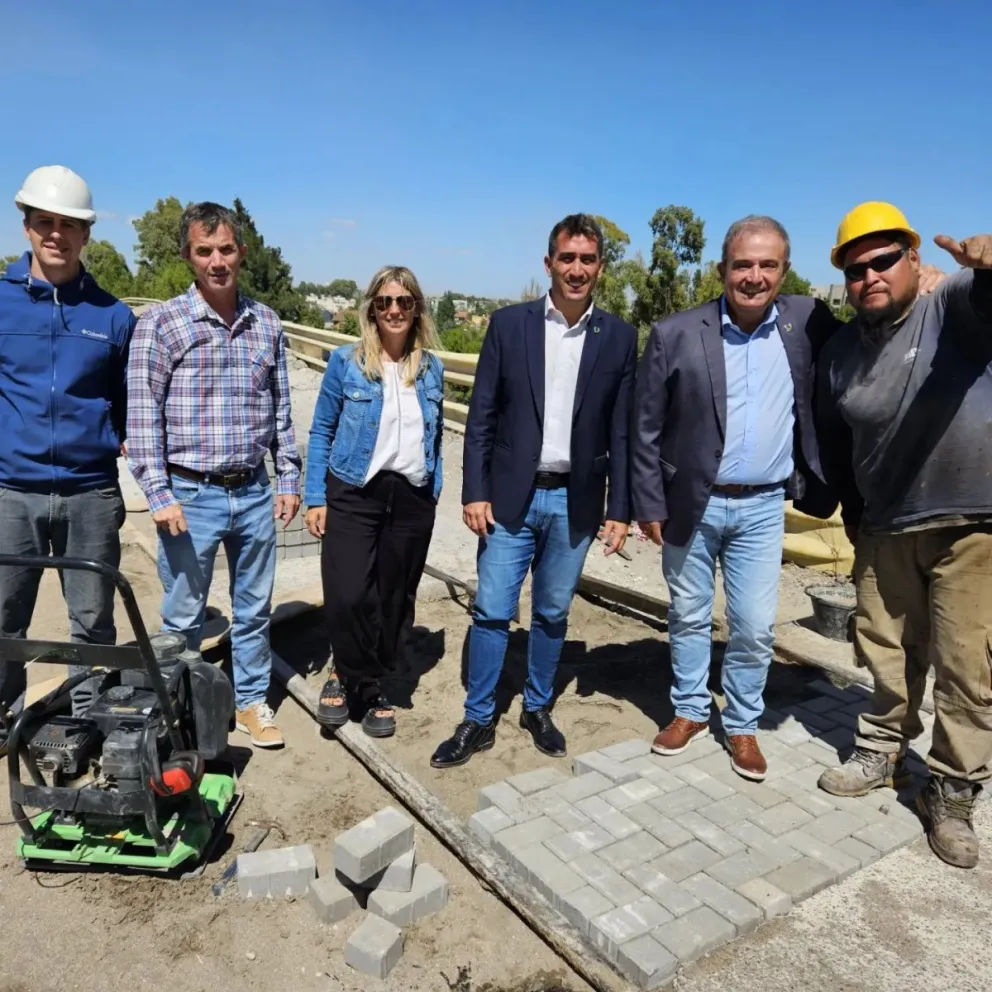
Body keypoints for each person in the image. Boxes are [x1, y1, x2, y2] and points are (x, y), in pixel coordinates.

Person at [813, 201, 992, 870]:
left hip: (968, 524)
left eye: (884, 260)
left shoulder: (955, 309)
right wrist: (851, 513)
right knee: (884, 651)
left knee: (966, 667)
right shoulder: (839, 353)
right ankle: (883, 752)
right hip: (884, 522)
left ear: (915, 260)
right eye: (856, 269)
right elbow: (839, 436)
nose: (870, 276)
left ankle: (951, 790)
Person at [631, 216, 840, 782]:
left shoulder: (807, 322)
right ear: (722, 269)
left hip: (763, 507)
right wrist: (647, 502)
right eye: (742, 265)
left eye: (766, 265)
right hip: (689, 504)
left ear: (785, 271)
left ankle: (744, 723)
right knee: (690, 614)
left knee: (753, 625)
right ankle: (691, 710)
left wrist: (931, 289)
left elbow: (874, 330)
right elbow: (644, 426)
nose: (753, 276)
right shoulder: (676, 332)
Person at [430, 214, 637, 769]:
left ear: (599, 266)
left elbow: (623, 429)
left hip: (577, 500)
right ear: (549, 264)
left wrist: (621, 509)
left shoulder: (618, 337)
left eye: (587, 260)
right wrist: (475, 491)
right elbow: (483, 417)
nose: (576, 269)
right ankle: (478, 719)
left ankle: (538, 707)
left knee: (551, 612)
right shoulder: (509, 325)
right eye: (566, 259)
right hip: (510, 499)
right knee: (493, 610)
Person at [126, 201, 301, 750]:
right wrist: (158, 493)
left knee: (253, 609)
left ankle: (250, 703)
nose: (217, 261)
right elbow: (142, 415)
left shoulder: (266, 324)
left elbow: (282, 411)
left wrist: (289, 479)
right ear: (188, 256)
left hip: (252, 490)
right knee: (181, 614)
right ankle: (175, 709)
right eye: (205, 251)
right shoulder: (161, 324)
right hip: (190, 495)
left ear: (241, 253)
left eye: (226, 249)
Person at [0, 165, 135, 739]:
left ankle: (90, 719)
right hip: (12, 491)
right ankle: (4, 716)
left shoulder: (113, 316)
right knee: (5, 616)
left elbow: (128, 405)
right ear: (27, 227)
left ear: (86, 234)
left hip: (90, 492)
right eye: (44, 222)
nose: (56, 234)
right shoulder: (2, 306)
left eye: (68, 225)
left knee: (91, 619)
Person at [303, 266, 444, 738]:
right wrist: (316, 496)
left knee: (393, 598)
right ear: (372, 309)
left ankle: (369, 684)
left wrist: (435, 489)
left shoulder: (431, 368)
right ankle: (344, 673)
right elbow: (322, 430)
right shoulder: (347, 362)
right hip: (354, 489)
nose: (395, 310)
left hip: (410, 496)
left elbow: (437, 435)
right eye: (385, 302)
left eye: (404, 302)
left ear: (417, 308)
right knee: (347, 593)